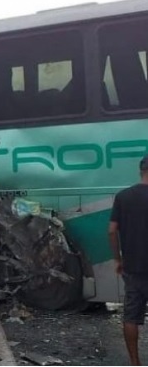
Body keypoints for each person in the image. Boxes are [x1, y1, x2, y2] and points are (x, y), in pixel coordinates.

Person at [109, 155, 148, 366]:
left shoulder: (123, 196)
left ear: (140, 170)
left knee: (131, 317)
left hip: (133, 268)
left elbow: (111, 231)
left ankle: (135, 362)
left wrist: (118, 259)